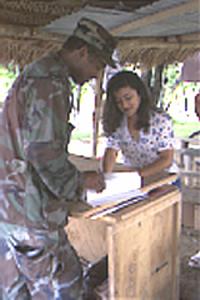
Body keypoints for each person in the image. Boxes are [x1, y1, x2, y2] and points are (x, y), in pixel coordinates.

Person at [0, 18, 117, 299]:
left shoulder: (38, 73)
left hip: (9, 206)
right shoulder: (50, 82)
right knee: (65, 286)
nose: (95, 74)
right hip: (30, 212)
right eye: (98, 65)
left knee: (16, 290)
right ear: (83, 53)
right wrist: (80, 182)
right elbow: (44, 154)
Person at [102, 70, 176, 181]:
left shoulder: (160, 121)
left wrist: (138, 175)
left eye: (128, 98)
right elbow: (111, 152)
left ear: (140, 94)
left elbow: (166, 158)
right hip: (135, 180)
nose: (125, 105)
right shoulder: (117, 122)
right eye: (118, 101)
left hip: (163, 179)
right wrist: (105, 177)